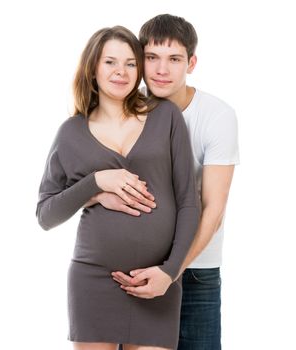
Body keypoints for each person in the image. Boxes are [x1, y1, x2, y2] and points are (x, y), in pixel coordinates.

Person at [36, 25, 198, 350]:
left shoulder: (165, 116)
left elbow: (188, 203)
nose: (121, 72)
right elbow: (46, 214)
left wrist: (170, 272)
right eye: (110, 62)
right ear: (93, 66)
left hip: (156, 281)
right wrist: (95, 183)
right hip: (93, 280)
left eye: (130, 63)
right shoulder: (71, 133)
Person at [97, 15, 239, 350]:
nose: (162, 70)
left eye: (174, 59)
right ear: (140, 58)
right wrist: (98, 195)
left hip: (194, 270)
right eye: (152, 57)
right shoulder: (121, 109)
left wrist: (172, 271)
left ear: (191, 62)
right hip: (130, 267)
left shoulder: (217, 116)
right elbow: (83, 185)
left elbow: (214, 208)